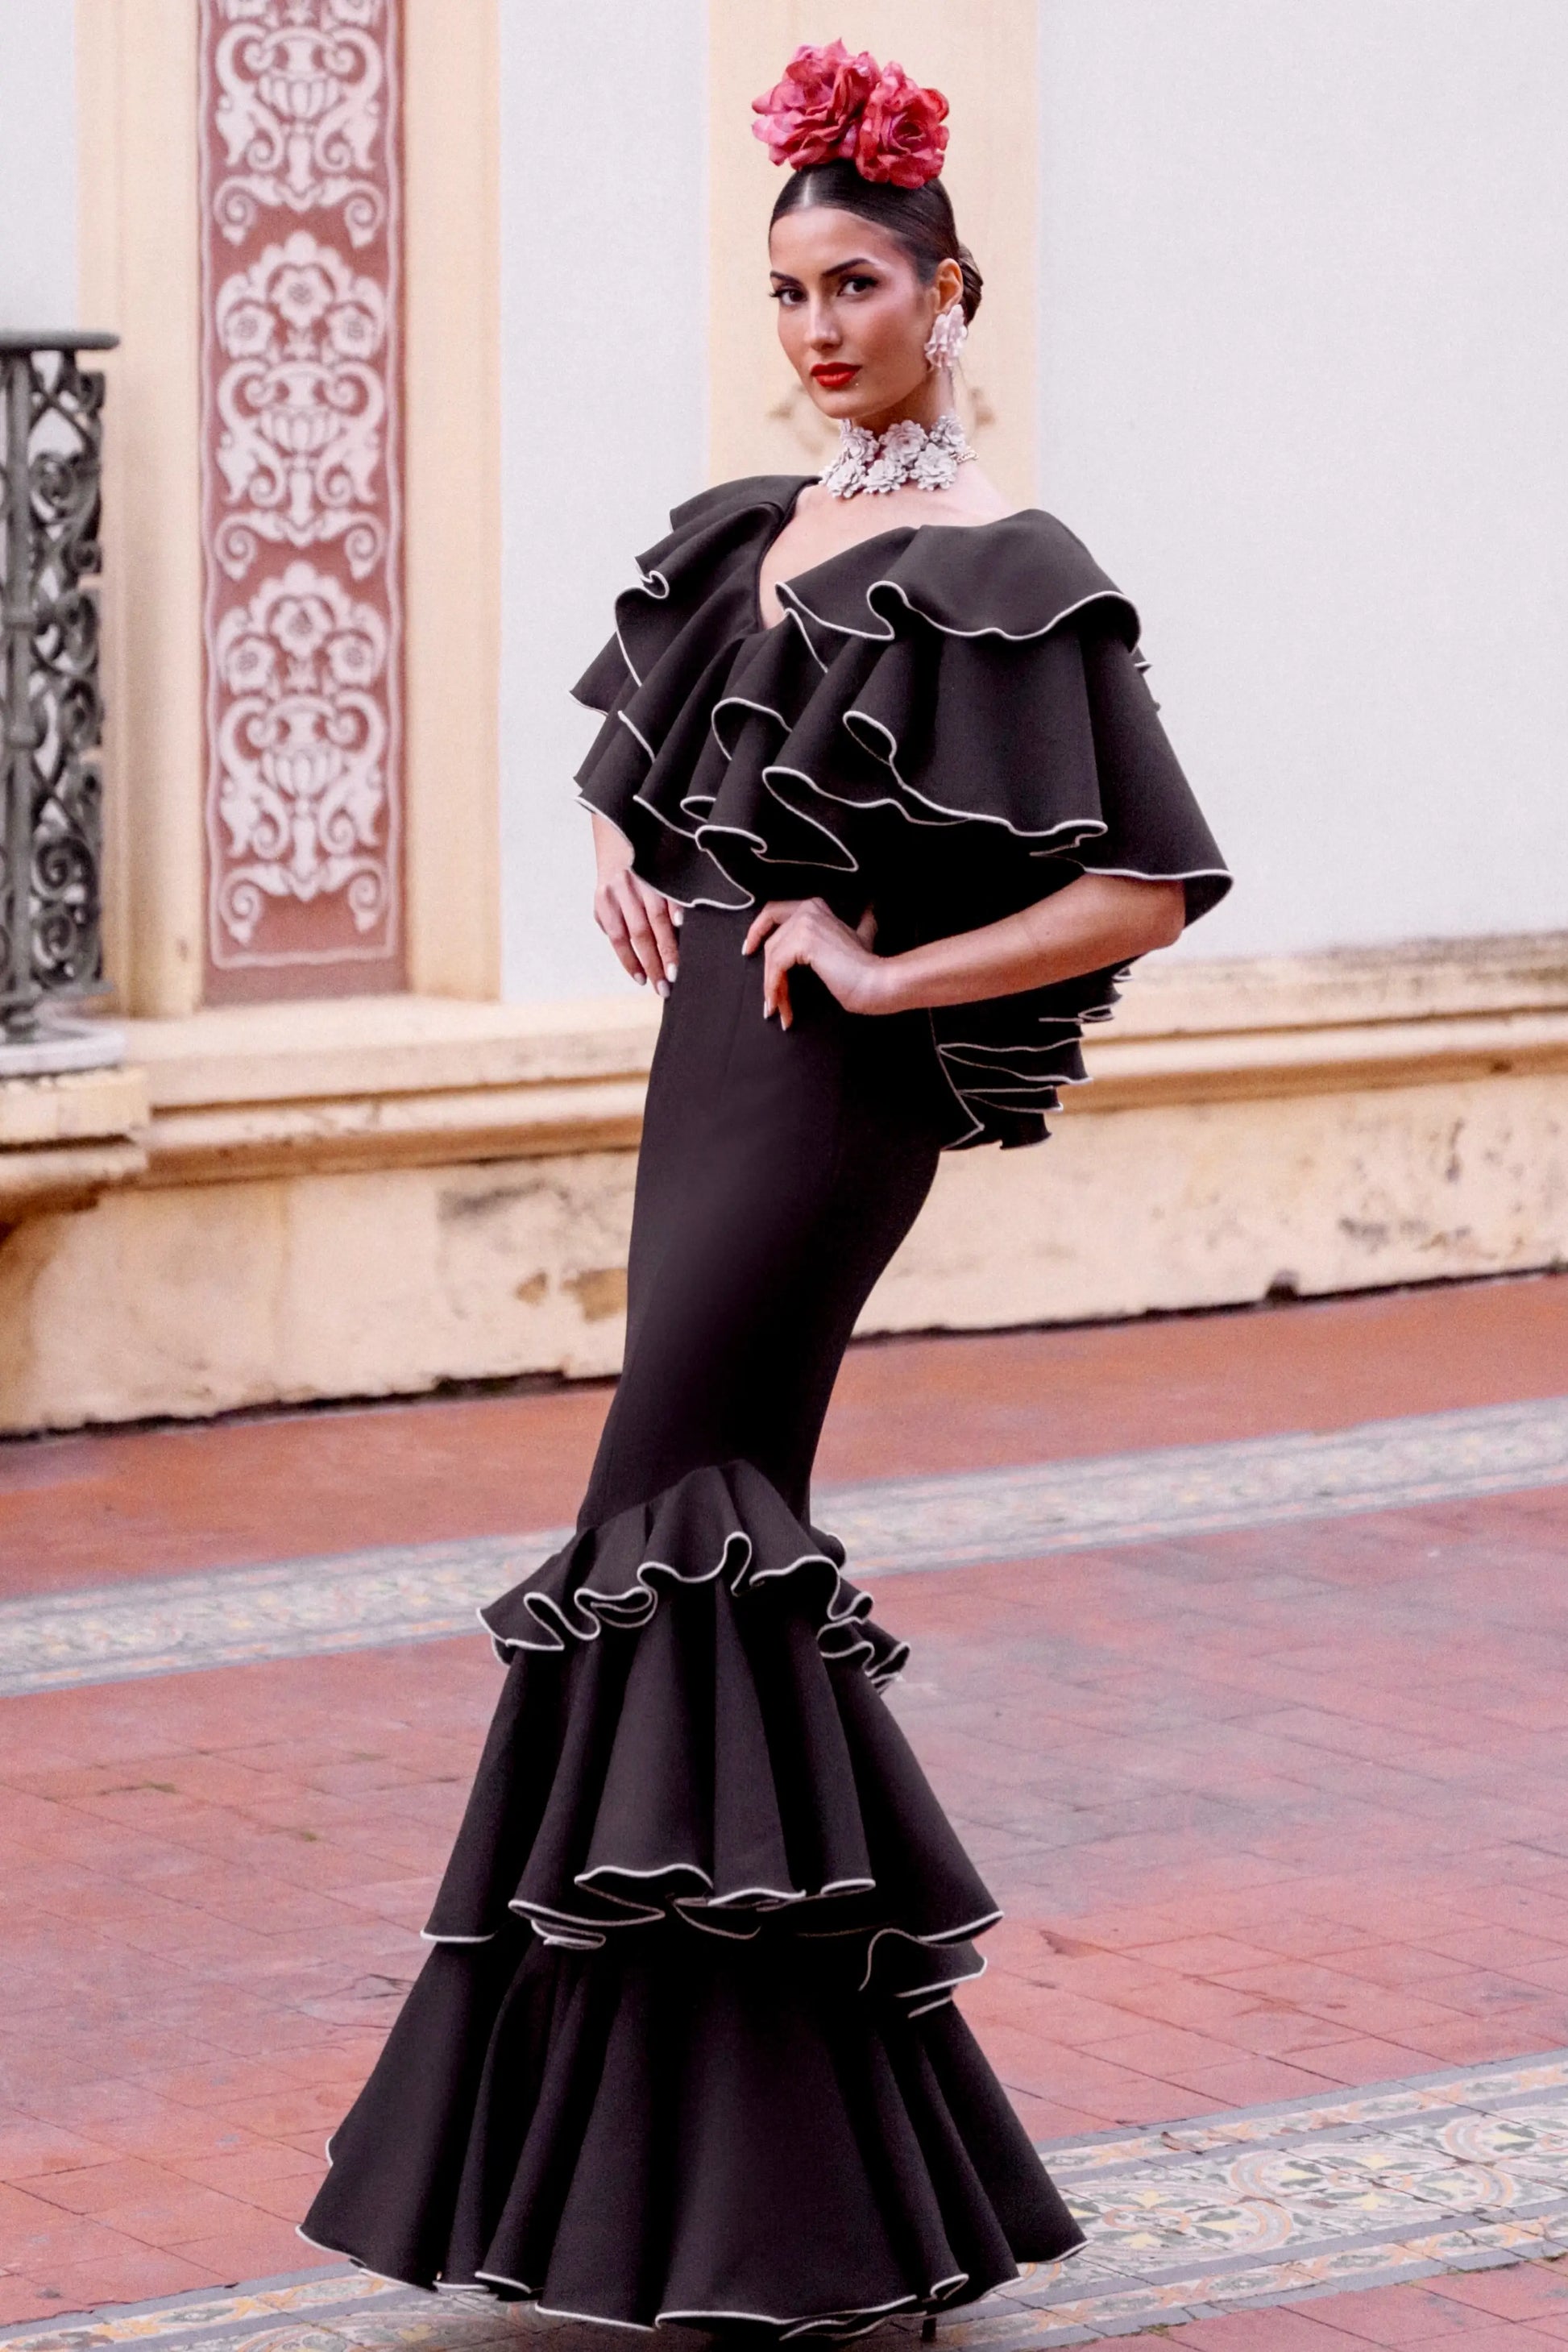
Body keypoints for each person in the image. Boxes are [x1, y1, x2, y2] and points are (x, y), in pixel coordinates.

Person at [302, 42, 1230, 2337]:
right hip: (703, 1068)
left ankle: (710, 2182)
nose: (819, 327)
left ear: (947, 293)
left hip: (826, 1098)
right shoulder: (755, 530)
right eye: (790, 291)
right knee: (682, 1544)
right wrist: (624, 846)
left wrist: (888, 966)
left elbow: (1142, 884)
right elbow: (666, 756)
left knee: (674, 1516)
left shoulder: (1007, 563)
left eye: (858, 287)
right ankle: (761, 2186)